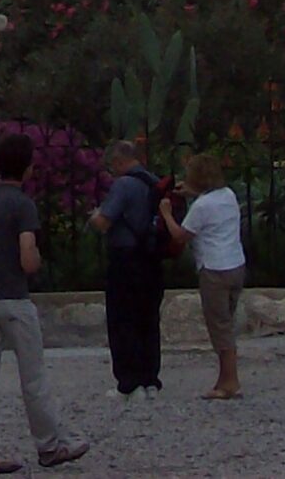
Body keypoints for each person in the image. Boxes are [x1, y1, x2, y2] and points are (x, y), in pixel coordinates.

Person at [0, 130, 88, 474]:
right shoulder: (22, 205)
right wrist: (36, 260)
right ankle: (49, 444)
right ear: (28, 168)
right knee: (32, 375)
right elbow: (28, 257)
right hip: (13, 297)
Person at [160, 151, 246, 399]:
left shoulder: (201, 206)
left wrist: (166, 213)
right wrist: (191, 193)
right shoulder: (227, 195)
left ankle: (229, 382)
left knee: (219, 327)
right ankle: (224, 378)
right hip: (235, 264)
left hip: (214, 268)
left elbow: (181, 236)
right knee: (226, 322)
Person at [88, 138, 167, 397]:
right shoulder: (153, 182)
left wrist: (94, 215)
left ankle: (129, 382)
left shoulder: (123, 185)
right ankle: (150, 377)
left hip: (126, 258)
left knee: (123, 320)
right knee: (148, 319)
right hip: (151, 258)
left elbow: (104, 221)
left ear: (118, 161)